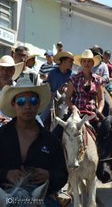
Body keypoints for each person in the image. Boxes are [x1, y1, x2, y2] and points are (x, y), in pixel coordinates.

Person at [0, 77, 68, 205]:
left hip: (40, 198)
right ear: (14, 104)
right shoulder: (2, 136)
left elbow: (63, 174)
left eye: (32, 100)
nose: (27, 106)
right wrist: (6, 174)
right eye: (21, 101)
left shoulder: (51, 141)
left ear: (38, 104)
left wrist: (49, 175)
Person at [64, 49, 104, 133]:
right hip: (75, 116)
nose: (87, 63)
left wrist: (98, 112)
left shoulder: (98, 80)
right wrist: (73, 108)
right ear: (81, 63)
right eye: (84, 61)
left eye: (89, 61)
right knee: (56, 134)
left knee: (105, 135)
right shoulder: (73, 79)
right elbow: (67, 98)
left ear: (93, 64)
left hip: (92, 116)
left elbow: (101, 99)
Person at [40, 51, 74, 123]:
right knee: (43, 117)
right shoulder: (52, 73)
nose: (72, 63)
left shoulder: (72, 75)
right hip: (52, 99)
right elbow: (48, 87)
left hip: (67, 100)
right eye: (70, 61)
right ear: (64, 61)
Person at [90, 46, 112, 112]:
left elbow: (107, 77)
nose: (94, 56)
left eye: (96, 55)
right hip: (87, 85)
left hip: (100, 86)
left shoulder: (104, 65)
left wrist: (100, 78)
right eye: (93, 54)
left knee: (108, 103)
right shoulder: (88, 63)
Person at [0, 55, 24, 127]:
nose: (5, 72)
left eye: (8, 69)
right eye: (2, 68)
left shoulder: (19, 90)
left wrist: (12, 122)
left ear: (13, 71)